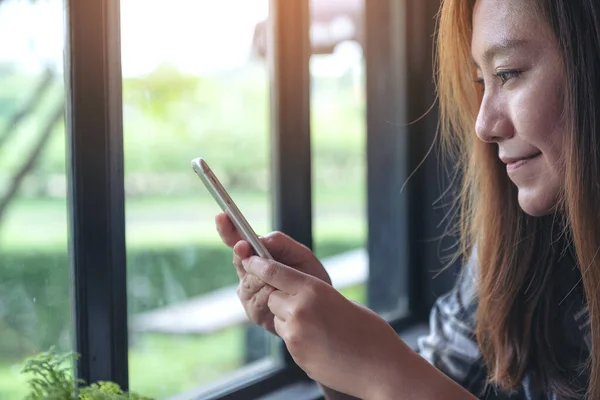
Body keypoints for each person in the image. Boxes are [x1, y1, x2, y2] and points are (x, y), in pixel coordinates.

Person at [215, 0, 600, 398]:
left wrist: (380, 368)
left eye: (508, 73)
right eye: (481, 82)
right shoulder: (515, 250)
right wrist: (331, 347)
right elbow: (438, 382)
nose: (484, 125)